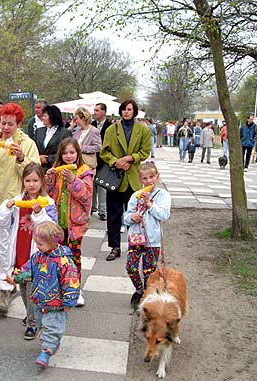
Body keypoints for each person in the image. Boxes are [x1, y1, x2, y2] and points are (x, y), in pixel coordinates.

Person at [0, 103, 40, 313]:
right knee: (0, 247)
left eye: (10, 124)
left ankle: (8, 286)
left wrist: (21, 158)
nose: (5, 128)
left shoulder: (27, 144)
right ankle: (5, 287)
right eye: (3, 123)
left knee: (11, 248)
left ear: (18, 124)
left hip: (15, 204)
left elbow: (35, 174)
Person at [6, 221, 79, 369]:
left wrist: (69, 301)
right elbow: (28, 270)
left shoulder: (64, 261)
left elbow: (71, 281)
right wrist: (16, 278)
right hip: (39, 300)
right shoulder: (37, 257)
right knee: (41, 324)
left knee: (52, 326)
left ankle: (47, 350)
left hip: (56, 303)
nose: (38, 247)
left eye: (41, 244)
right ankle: (51, 343)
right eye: (37, 243)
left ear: (54, 241)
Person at [0, 163, 57, 339]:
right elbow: (3, 223)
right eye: (28, 180)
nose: (31, 184)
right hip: (19, 250)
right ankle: (31, 314)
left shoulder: (48, 203)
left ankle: (33, 322)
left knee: (32, 289)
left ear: (42, 181)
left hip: (36, 254)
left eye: (35, 180)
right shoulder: (17, 201)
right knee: (22, 286)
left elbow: (50, 229)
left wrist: (38, 214)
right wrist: (6, 208)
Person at [100, 99, 151, 261]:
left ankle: (134, 245)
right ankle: (114, 247)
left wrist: (130, 158)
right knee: (114, 214)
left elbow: (145, 152)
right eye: (124, 109)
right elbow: (104, 152)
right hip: (116, 177)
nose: (126, 112)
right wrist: (117, 162)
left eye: (129, 109)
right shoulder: (111, 130)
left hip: (134, 178)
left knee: (134, 214)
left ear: (134, 111)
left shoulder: (143, 130)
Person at [45, 138, 93, 306]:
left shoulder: (85, 172)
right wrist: (49, 179)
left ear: (78, 153)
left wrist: (73, 179)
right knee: (57, 256)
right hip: (58, 221)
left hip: (75, 223)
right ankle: (59, 286)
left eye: (72, 152)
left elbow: (86, 196)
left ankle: (76, 288)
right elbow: (47, 194)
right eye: (64, 153)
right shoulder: (56, 171)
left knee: (74, 257)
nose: (68, 156)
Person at [123, 161, 171, 308]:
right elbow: (126, 216)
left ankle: (147, 295)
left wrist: (150, 205)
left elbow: (164, 215)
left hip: (152, 241)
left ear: (157, 176)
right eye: (145, 178)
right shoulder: (135, 196)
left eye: (152, 177)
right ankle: (139, 290)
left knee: (149, 271)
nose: (149, 181)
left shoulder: (163, 195)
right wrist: (132, 218)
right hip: (136, 239)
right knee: (131, 267)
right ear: (140, 180)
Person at [92, 103, 114, 221]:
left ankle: (102, 210)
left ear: (104, 112)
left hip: (104, 160)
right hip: (92, 159)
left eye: (97, 110)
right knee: (92, 185)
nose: (95, 112)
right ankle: (92, 207)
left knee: (102, 186)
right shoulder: (91, 125)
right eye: (94, 110)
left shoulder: (110, 126)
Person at [34, 104, 72, 172]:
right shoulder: (38, 131)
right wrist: (38, 157)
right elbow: (34, 148)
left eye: (45, 116)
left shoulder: (65, 133)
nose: (42, 118)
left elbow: (65, 151)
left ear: (52, 117)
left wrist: (47, 159)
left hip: (56, 169)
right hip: (39, 169)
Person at [71, 106, 101, 170]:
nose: (75, 121)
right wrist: (71, 127)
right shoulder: (77, 131)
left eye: (77, 119)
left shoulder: (94, 131)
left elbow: (98, 147)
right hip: (76, 165)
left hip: (88, 166)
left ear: (83, 118)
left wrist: (83, 148)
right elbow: (67, 139)